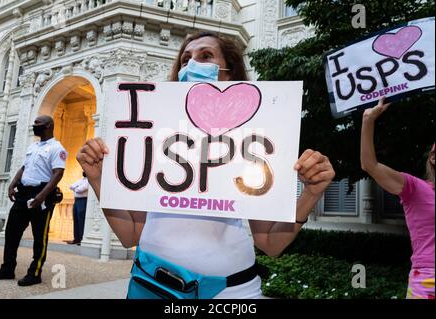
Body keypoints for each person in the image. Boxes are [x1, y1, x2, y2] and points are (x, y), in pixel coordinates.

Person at [76, 31, 335, 299]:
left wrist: (311, 193)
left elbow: (271, 243)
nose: (192, 65)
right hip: (153, 286)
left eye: (205, 56)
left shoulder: (252, 139)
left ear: (229, 72)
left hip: (232, 293)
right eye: (186, 59)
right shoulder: (152, 138)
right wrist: (98, 178)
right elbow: (129, 234)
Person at [360, 97, 435, 299]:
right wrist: (368, 120)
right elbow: (370, 165)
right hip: (429, 281)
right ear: (433, 157)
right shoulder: (416, 188)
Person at [0, 115, 66, 286]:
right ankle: (7, 268)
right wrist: (12, 184)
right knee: (11, 232)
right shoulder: (33, 146)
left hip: (41, 195)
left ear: (49, 126)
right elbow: (24, 167)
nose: (35, 127)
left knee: (39, 237)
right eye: (34, 124)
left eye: (39, 124)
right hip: (23, 194)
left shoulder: (56, 148)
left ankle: (35, 272)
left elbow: (58, 173)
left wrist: (42, 196)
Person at [66, 172, 88, 245]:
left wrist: (75, 188)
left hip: (83, 200)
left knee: (81, 220)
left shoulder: (89, 181)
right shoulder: (81, 179)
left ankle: (82, 239)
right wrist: (76, 188)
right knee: (76, 219)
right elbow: (71, 186)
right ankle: (76, 238)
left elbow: (80, 190)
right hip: (76, 200)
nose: (83, 171)